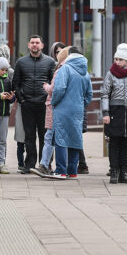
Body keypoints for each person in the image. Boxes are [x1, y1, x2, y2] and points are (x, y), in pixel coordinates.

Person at [12, 35, 57, 172]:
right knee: (29, 136)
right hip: (27, 104)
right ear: (28, 45)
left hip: (44, 104)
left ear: (42, 45)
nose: (34, 45)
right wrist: (22, 99)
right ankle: (29, 164)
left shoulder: (50, 62)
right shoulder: (21, 62)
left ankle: (45, 164)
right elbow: (16, 83)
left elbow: (54, 82)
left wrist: (49, 99)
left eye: (37, 42)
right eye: (32, 42)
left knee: (45, 136)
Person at [50, 46, 93, 179]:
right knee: (75, 139)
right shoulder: (85, 72)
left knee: (61, 139)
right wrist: (81, 104)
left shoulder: (65, 69)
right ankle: (72, 171)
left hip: (63, 109)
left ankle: (61, 170)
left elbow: (59, 89)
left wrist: (54, 102)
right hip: (78, 110)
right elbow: (89, 94)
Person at [101, 44, 127, 184]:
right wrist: (105, 112)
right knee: (114, 142)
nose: (117, 62)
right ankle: (114, 171)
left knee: (126, 143)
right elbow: (105, 94)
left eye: (120, 59)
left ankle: (124, 172)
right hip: (114, 112)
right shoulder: (110, 74)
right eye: (115, 59)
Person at [32, 47, 69, 177]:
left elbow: (55, 89)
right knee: (56, 137)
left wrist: (46, 86)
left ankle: (46, 165)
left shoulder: (61, 69)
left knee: (51, 137)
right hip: (61, 108)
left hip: (54, 107)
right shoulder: (70, 68)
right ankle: (61, 167)